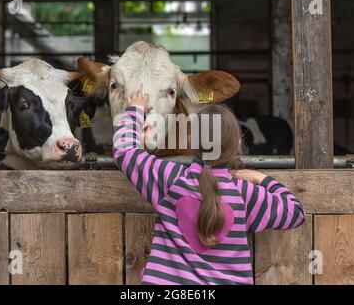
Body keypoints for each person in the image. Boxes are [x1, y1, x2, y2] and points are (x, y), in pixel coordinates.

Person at [113, 91, 305, 285]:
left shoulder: (170, 179)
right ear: (238, 143)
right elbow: (296, 212)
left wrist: (135, 110)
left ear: (190, 140)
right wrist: (260, 178)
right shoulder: (246, 194)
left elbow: (124, 150)